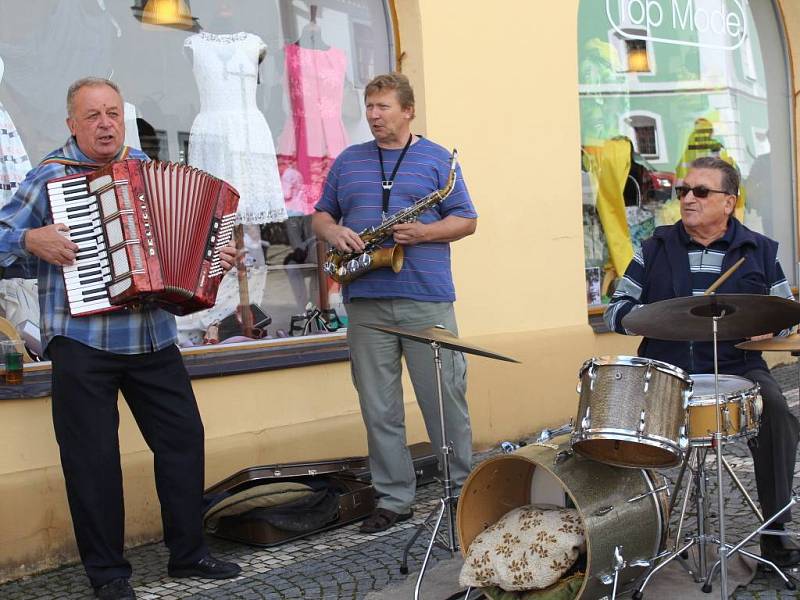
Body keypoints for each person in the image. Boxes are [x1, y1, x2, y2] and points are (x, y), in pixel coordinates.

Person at [0, 78, 241, 600]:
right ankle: (108, 574)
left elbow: (187, 245)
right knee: (92, 461)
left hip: (152, 338)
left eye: (112, 113)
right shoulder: (49, 177)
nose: (106, 123)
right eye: (93, 116)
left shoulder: (146, 170)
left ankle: (189, 552)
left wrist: (210, 261)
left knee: (182, 441)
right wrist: (27, 238)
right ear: (72, 125)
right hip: (81, 342)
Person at [605, 156, 800, 567]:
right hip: (665, 370)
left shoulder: (759, 251)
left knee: (778, 413)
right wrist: (649, 317)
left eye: (700, 191)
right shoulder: (654, 248)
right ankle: (625, 536)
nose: (687, 199)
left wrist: (773, 327)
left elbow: (787, 313)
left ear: (729, 202)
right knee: (609, 425)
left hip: (738, 367)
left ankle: (776, 531)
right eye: (683, 191)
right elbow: (615, 309)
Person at [312, 72, 478, 533]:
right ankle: (394, 498)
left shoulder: (438, 160)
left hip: (426, 298)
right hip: (365, 298)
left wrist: (425, 232)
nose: (373, 116)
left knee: (444, 399)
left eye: (382, 107)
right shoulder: (348, 161)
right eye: (368, 107)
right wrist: (333, 231)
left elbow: (467, 220)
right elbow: (321, 213)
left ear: (408, 111)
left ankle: (464, 491)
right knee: (378, 406)